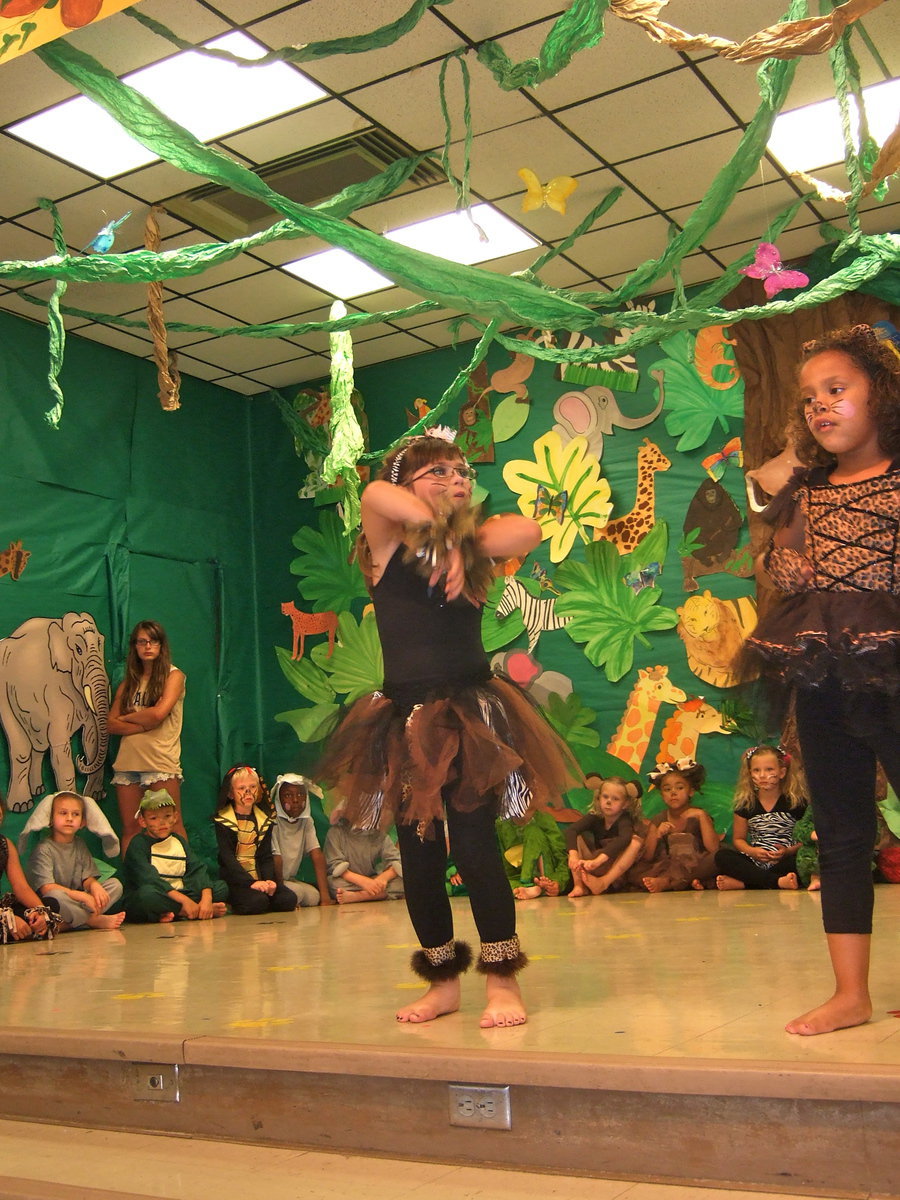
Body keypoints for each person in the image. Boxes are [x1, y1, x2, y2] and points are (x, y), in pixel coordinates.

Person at [316, 428, 581, 1028]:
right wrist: (438, 533)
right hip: (407, 721)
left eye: (462, 472)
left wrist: (460, 541)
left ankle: (502, 982)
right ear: (411, 480)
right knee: (419, 853)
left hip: (467, 717)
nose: (456, 480)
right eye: (438, 472)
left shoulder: (477, 541)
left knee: (475, 845)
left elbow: (529, 531)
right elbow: (379, 496)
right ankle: (441, 982)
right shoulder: (385, 545)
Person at [743, 323, 900, 1035]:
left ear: (884, 395)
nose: (821, 408)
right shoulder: (804, 488)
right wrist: (790, 562)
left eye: (838, 391)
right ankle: (850, 994)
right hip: (822, 674)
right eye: (810, 399)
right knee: (840, 832)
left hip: (893, 669)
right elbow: (785, 548)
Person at [108, 621, 185, 853]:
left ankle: (188, 883)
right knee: (131, 829)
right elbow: (111, 724)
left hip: (160, 762)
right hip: (127, 764)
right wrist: (143, 724)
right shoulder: (128, 683)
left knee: (172, 825)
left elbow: (159, 714)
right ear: (135, 647)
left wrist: (130, 718)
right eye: (142, 642)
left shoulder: (174, 676)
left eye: (153, 641)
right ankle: (135, 886)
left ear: (161, 645)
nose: (147, 646)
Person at [123, 788, 227, 922]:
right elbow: (149, 879)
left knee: (220, 887)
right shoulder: (138, 844)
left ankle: (186, 910)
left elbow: (196, 869)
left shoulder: (179, 840)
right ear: (143, 821)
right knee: (147, 896)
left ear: (175, 817)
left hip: (180, 892)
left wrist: (207, 899)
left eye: (167, 816)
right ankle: (188, 911)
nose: (162, 823)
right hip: (160, 893)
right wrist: (184, 902)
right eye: (154, 818)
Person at [26, 791, 124, 931]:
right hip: (55, 903)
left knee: (115, 885)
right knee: (55, 896)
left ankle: (69, 923)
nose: (69, 818)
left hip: (77, 902)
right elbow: (47, 888)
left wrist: (94, 885)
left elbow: (87, 878)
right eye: (63, 813)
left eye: (76, 814)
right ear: (51, 819)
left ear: (82, 822)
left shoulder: (80, 844)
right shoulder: (44, 849)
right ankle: (90, 920)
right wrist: (80, 895)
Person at [715, 746, 805, 891]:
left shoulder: (796, 802)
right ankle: (778, 882)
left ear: (782, 772)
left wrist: (788, 851)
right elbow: (738, 839)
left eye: (769, 770)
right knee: (722, 856)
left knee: (805, 858)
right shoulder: (746, 804)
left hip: (785, 860)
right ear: (750, 773)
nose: (763, 775)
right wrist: (752, 852)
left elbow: (805, 839)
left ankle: (748, 883)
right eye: (757, 770)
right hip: (755, 860)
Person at [213, 765, 297, 915]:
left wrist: (268, 881)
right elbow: (228, 859)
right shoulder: (223, 822)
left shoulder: (263, 819)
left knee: (288, 899)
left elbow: (265, 856)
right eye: (242, 788)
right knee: (257, 902)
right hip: (237, 880)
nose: (248, 792)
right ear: (231, 793)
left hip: (259, 876)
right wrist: (251, 883)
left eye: (252, 786)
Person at [639, 760, 718, 892]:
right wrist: (656, 835)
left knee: (719, 857)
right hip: (668, 866)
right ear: (662, 795)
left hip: (696, 865)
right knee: (637, 870)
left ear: (691, 791)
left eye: (679, 788)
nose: (673, 793)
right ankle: (682, 882)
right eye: (667, 789)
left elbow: (713, 848)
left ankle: (670, 883)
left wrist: (702, 816)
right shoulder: (659, 819)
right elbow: (648, 856)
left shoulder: (698, 815)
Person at [566, 775, 641, 896]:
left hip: (617, 869)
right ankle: (579, 885)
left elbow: (624, 838)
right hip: (595, 865)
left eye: (615, 799)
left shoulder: (624, 820)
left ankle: (603, 883)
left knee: (635, 842)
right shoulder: (595, 817)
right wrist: (573, 855)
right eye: (605, 797)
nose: (608, 802)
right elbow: (571, 830)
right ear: (598, 797)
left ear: (625, 804)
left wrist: (599, 860)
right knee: (577, 838)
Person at [0, 788, 59, 943]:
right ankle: (14, 929)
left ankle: (23, 929)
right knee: (9, 922)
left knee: (50, 904)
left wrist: (41, 913)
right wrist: (7, 919)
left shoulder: (5, 844)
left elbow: (21, 887)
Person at [271, 774, 333, 907]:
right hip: (275, 881)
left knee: (313, 897)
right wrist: (283, 893)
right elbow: (276, 859)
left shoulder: (307, 821)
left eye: (300, 795)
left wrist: (325, 897)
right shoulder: (273, 822)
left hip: (291, 880)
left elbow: (316, 854)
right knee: (297, 893)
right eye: (288, 795)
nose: (295, 800)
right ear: (279, 799)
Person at [324, 814, 404, 903]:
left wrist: (382, 878)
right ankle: (378, 894)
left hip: (371, 879)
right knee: (333, 883)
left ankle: (360, 896)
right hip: (349, 881)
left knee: (401, 882)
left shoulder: (379, 835)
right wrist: (364, 882)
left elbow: (396, 861)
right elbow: (335, 865)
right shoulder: (336, 832)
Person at [496, 808, 570, 899]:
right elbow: (504, 868)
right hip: (517, 877)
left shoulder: (543, 818)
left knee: (533, 831)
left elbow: (561, 857)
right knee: (501, 885)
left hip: (546, 876)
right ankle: (527, 888)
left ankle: (536, 886)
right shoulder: (501, 824)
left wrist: (557, 882)